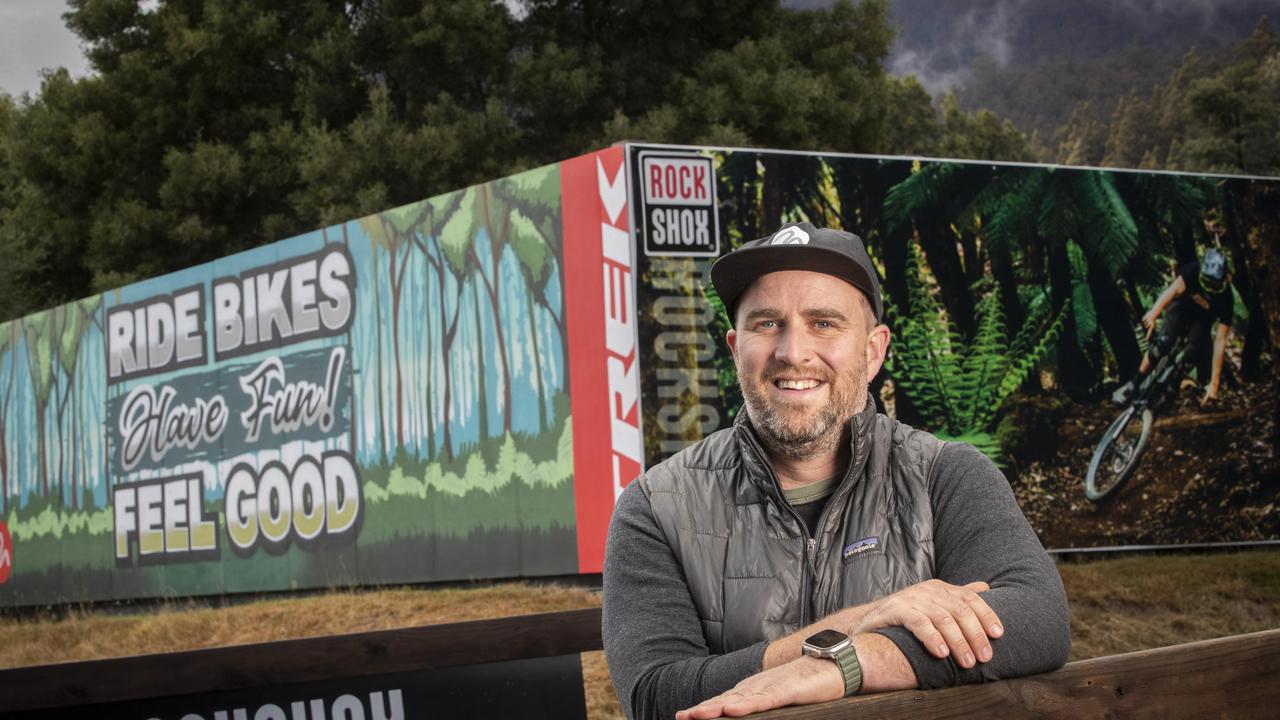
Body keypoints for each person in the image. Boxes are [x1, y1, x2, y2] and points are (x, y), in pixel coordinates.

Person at [602, 222, 1070, 720]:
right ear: (736, 348)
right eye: (766, 324)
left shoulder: (945, 475)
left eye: (824, 323)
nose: (792, 352)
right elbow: (654, 695)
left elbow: (1036, 617)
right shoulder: (655, 507)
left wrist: (849, 661)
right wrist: (859, 623)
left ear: (873, 351)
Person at [1113, 247, 1234, 407]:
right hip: (1181, 308)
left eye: (1215, 285)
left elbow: (1220, 340)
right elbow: (1171, 291)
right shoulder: (1192, 270)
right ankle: (1135, 382)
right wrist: (1154, 313)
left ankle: (1173, 384)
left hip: (1203, 321)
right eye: (1207, 282)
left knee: (1192, 352)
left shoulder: (1227, 299)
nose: (1210, 289)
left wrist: (1214, 383)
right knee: (1163, 342)